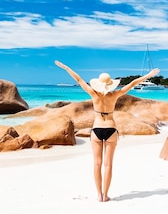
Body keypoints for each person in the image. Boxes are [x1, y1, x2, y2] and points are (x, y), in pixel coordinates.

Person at [54, 60, 160, 202]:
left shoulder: (93, 94)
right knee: (108, 164)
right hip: (111, 129)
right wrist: (148, 75)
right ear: (110, 84)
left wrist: (66, 67)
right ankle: (105, 195)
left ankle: (99, 195)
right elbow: (133, 83)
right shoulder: (114, 95)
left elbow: (79, 79)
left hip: (97, 129)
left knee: (97, 164)